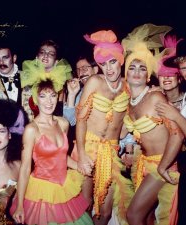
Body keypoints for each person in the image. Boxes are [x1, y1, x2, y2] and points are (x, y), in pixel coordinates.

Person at [121, 24, 184, 225]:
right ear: (126, 74)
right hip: (144, 164)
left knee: (133, 215)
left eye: (142, 68)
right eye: (132, 67)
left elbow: (177, 134)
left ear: (148, 75)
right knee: (147, 218)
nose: (137, 72)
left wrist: (164, 166)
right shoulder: (130, 103)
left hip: (162, 164)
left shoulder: (156, 97)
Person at [10, 78, 93, 225]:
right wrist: (21, 205)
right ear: (36, 100)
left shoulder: (63, 123)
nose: (49, 102)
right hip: (42, 191)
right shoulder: (31, 130)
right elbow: (24, 169)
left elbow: (61, 156)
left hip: (64, 187)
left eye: (53, 95)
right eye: (43, 96)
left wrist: (80, 165)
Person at [76, 30, 134, 225]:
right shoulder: (94, 82)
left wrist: (128, 147)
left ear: (121, 60)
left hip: (110, 152)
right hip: (89, 148)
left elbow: (126, 124)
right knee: (84, 205)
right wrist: (82, 154)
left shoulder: (128, 87)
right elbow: (81, 119)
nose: (108, 68)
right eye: (102, 63)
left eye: (112, 62)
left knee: (105, 211)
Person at [155, 35, 186, 225]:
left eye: (170, 73)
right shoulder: (153, 98)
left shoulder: (181, 103)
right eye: (183, 67)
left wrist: (175, 115)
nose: (166, 78)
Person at [21, 39, 72, 121]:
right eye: (42, 52)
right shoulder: (29, 80)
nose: (46, 55)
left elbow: (64, 115)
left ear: (56, 62)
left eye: (51, 54)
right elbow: (24, 107)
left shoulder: (61, 82)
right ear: (37, 58)